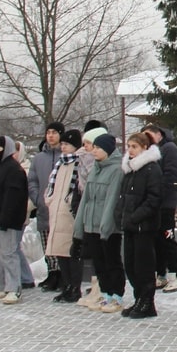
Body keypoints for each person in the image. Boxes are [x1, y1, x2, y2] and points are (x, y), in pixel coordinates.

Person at [74, 133, 126, 314]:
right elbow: (86, 198)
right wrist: (80, 225)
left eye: (97, 148)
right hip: (91, 223)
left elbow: (112, 199)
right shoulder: (95, 168)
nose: (93, 151)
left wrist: (106, 226)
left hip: (108, 226)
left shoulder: (117, 170)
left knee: (111, 260)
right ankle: (106, 293)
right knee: (99, 262)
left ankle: (117, 295)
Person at [117, 131, 164, 319]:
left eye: (134, 146)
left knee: (144, 265)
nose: (130, 150)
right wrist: (120, 214)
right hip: (130, 225)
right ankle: (138, 298)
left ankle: (147, 301)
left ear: (145, 147)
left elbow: (154, 199)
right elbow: (123, 196)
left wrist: (136, 217)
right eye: (128, 146)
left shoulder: (152, 169)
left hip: (144, 226)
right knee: (131, 264)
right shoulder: (130, 169)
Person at [0, 136, 30, 305]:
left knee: (8, 253)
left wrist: (7, 217)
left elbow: (14, 198)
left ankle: (14, 287)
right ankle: (1, 284)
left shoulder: (14, 170)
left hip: (8, 221)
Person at [143, 123, 177, 294]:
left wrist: (157, 193)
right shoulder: (151, 151)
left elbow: (171, 176)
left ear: (157, 134)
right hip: (153, 204)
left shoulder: (169, 149)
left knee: (167, 238)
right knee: (156, 240)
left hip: (166, 204)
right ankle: (160, 273)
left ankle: (175, 275)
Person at [45, 129, 83, 304]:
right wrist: (50, 199)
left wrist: (70, 203)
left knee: (71, 252)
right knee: (60, 252)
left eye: (67, 144)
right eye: (63, 144)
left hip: (69, 213)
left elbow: (78, 187)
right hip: (57, 211)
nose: (64, 147)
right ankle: (66, 285)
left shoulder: (78, 163)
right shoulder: (60, 164)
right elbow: (52, 186)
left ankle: (74, 287)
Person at [29, 122, 64, 292]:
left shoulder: (65, 156)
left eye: (55, 133)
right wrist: (37, 198)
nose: (51, 136)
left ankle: (61, 274)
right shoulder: (38, 158)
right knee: (46, 241)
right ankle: (51, 272)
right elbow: (32, 181)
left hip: (60, 208)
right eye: (48, 132)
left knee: (59, 241)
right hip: (43, 208)